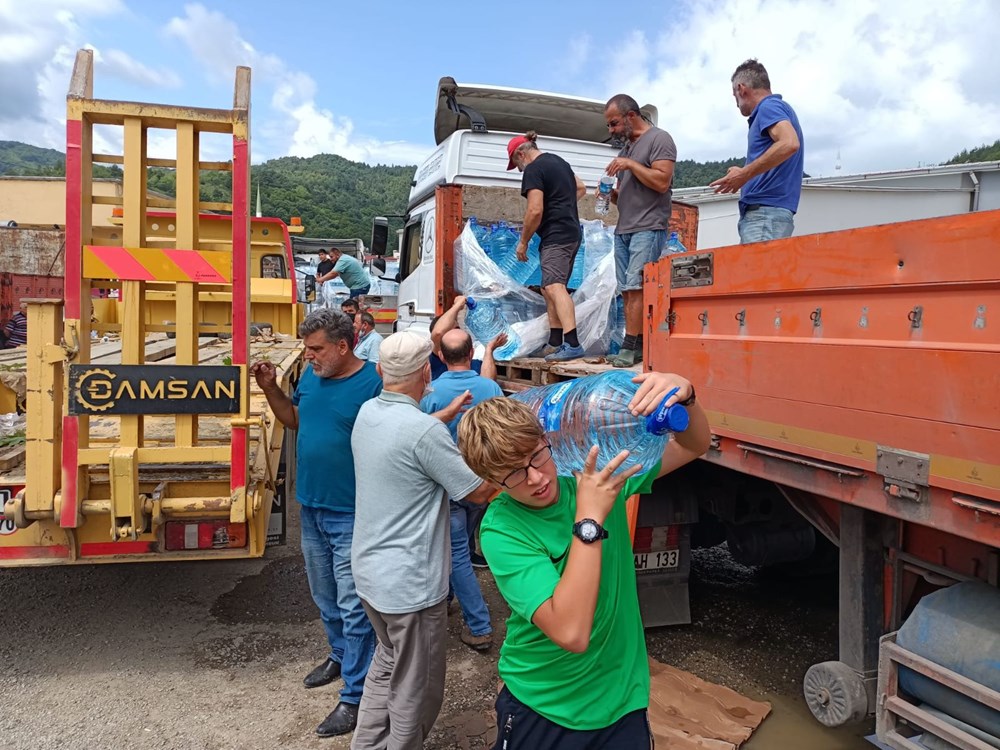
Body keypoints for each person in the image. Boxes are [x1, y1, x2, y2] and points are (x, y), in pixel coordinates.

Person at [456, 373, 711, 749]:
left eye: (536, 455)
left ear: (547, 439)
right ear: (492, 480)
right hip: (546, 704)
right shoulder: (502, 529)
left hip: (622, 697)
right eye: (513, 474)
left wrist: (686, 397)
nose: (536, 478)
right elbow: (571, 632)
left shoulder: (592, 476)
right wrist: (588, 520)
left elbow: (694, 445)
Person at [350, 331, 496, 749]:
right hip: (410, 587)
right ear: (424, 374)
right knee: (418, 689)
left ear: (381, 370)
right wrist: (523, 466)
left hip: (372, 577)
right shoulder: (422, 434)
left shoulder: (368, 413)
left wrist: (443, 415)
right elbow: (477, 492)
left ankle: (367, 743)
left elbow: (407, 436)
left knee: (387, 664)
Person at [250, 309, 381, 739]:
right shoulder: (311, 376)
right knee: (325, 596)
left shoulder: (374, 384)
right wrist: (270, 389)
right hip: (312, 507)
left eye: (316, 348)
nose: (308, 356)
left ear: (343, 346)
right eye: (307, 348)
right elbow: (295, 420)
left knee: (354, 605)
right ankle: (340, 656)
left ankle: (356, 695)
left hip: (352, 512)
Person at [419, 328, 503, 652]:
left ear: (440, 356)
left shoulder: (430, 393)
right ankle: (448, 598)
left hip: (449, 488)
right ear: (470, 354)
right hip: (482, 484)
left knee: (456, 556)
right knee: (462, 547)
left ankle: (479, 626)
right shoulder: (490, 388)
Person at [603, 94, 677, 369]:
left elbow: (661, 181)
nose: (611, 130)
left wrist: (631, 165)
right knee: (627, 290)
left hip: (648, 226)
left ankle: (630, 346)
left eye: (613, 123)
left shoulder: (659, 139)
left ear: (631, 115)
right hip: (624, 227)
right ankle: (636, 347)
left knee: (635, 286)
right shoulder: (626, 150)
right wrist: (611, 195)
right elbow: (628, 194)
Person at [507, 131, 587, 362]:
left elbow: (535, 210)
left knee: (554, 286)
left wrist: (523, 241)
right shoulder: (559, 162)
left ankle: (572, 343)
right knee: (548, 287)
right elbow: (580, 188)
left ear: (521, 154)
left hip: (556, 234)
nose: (519, 170)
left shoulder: (534, 169)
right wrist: (561, 204)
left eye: (516, 165)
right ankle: (555, 342)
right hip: (571, 232)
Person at [709, 59, 804, 244]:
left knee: (759, 264)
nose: (736, 104)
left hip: (764, 215)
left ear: (741, 89)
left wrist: (744, 174)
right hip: (767, 215)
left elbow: (789, 143)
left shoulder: (768, 107)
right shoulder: (777, 108)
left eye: (734, 96)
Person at [429, 295, 503, 381]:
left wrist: (489, 350)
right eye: (451, 332)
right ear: (440, 354)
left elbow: (489, 383)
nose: (457, 333)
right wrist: (457, 305)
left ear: (471, 353)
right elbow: (438, 333)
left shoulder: (476, 365)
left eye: (457, 328)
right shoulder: (435, 363)